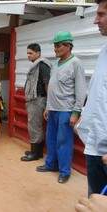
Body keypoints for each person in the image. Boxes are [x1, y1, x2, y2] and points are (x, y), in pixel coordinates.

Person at [36, 31, 87, 183]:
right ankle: (51, 164)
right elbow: (53, 88)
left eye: (58, 46)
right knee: (51, 139)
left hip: (66, 110)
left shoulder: (76, 63)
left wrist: (76, 112)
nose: (55, 49)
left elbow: (81, 90)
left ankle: (65, 171)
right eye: (55, 46)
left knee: (63, 142)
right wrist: (48, 107)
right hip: (53, 110)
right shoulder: (56, 64)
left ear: (68, 46)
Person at [75, 0, 107, 195]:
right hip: (95, 147)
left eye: (101, 14)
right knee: (94, 200)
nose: (96, 20)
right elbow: (98, 94)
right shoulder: (104, 51)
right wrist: (83, 119)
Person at [21, 43, 51, 162]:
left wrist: (48, 104)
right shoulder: (36, 65)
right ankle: (36, 151)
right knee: (33, 125)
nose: (28, 55)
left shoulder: (42, 65)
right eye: (27, 53)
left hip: (38, 99)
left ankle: (35, 153)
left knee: (35, 126)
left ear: (38, 53)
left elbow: (47, 84)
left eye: (31, 53)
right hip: (34, 99)